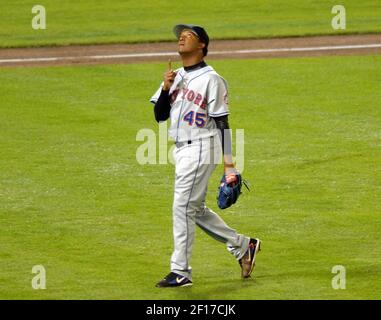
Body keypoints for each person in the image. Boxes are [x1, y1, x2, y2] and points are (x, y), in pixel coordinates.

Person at [150, 24, 261, 287]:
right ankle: (243, 246)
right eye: (180, 34)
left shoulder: (212, 79)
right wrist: (166, 89)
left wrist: (230, 165)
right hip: (181, 148)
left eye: (188, 35)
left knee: (182, 207)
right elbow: (160, 116)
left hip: (203, 144)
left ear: (202, 45)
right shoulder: (174, 75)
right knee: (194, 208)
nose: (181, 37)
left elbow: (222, 122)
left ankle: (181, 272)